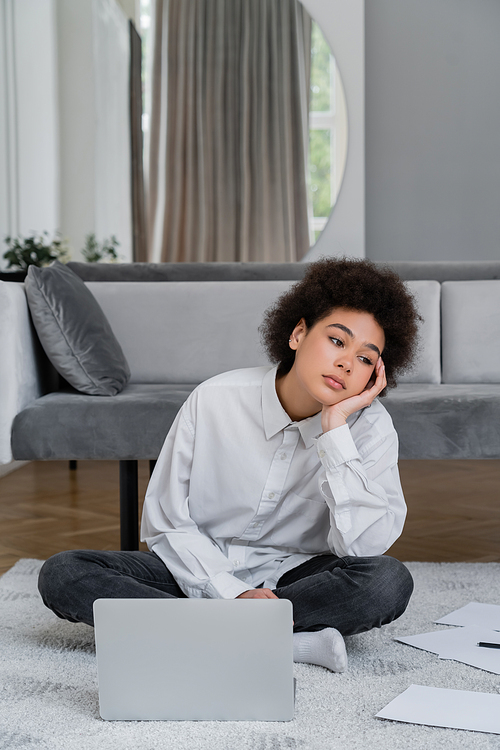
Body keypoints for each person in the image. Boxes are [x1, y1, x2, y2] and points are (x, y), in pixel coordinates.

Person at [38, 257, 420, 673]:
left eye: (367, 359)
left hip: (298, 581)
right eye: (337, 341)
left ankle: (192, 634)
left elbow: (363, 550)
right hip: (197, 571)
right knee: (64, 573)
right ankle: (288, 643)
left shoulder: (372, 430)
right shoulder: (215, 399)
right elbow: (167, 523)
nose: (348, 363)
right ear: (298, 333)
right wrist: (229, 595)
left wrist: (334, 434)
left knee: (387, 581)